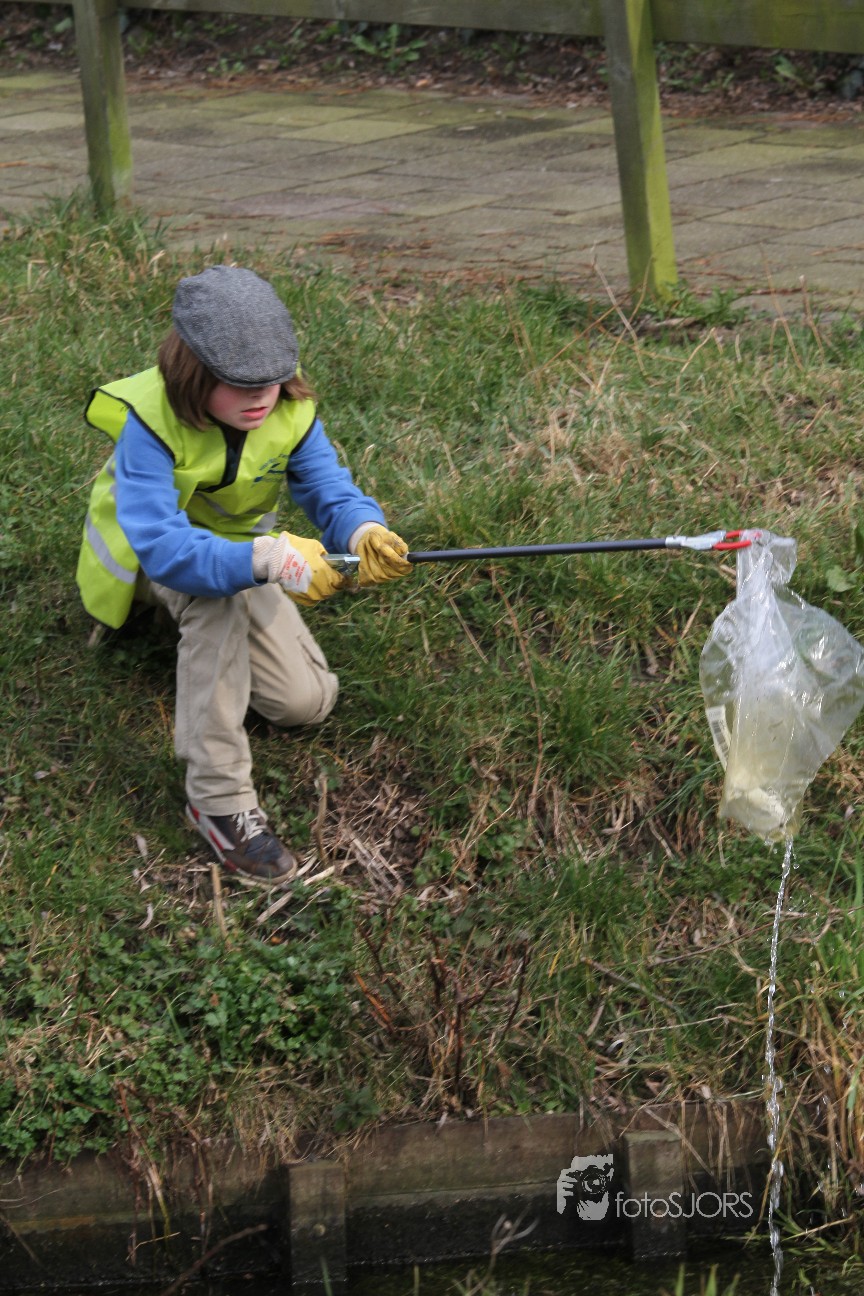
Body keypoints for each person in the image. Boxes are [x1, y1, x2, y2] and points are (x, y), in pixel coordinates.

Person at [76, 264, 412, 883]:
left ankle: (208, 644)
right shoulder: (150, 422)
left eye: (273, 380)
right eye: (239, 383)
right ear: (192, 371)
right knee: (215, 602)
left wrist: (362, 530)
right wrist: (263, 561)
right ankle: (218, 802)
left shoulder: (289, 411)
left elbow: (328, 488)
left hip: (240, 554)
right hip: (148, 562)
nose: (260, 398)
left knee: (304, 704)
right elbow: (165, 548)